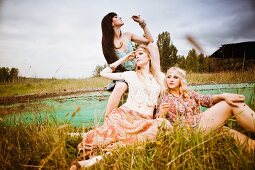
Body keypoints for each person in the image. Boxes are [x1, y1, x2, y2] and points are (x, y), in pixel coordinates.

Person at [70, 45, 170, 169]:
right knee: (98, 140)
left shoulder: (160, 77)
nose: (137, 56)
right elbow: (103, 73)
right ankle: (90, 160)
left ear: (149, 56)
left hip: (144, 120)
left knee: (162, 124)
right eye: (136, 55)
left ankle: (91, 162)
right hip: (124, 117)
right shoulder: (131, 75)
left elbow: (169, 93)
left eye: (140, 54)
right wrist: (124, 59)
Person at [156, 67, 255, 151]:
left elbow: (206, 100)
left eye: (175, 77)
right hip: (188, 132)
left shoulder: (188, 93)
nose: (171, 79)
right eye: (168, 77)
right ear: (165, 80)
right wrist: (162, 113)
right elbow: (158, 123)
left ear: (181, 80)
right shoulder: (163, 97)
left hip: (201, 124)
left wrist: (222, 96)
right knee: (231, 104)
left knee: (226, 131)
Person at [101, 12, 160, 116]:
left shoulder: (128, 35)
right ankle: (108, 119)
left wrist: (142, 23)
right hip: (123, 75)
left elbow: (150, 40)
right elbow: (112, 66)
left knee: (152, 46)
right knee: (120, 86)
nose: (120, 17)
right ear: (111, 23)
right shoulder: (107, 42)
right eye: (116, 17)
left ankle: (157, 76)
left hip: (138, 71)